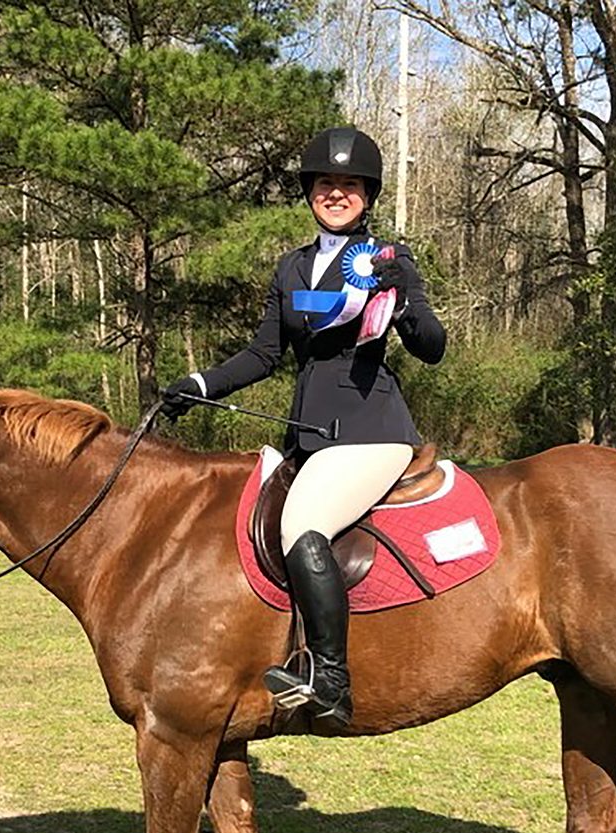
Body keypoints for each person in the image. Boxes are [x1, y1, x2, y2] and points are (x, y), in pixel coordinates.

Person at [162, 125, 446, 726]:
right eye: (325, 184)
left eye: (348, 185)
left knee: (303, 522)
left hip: (371, 432)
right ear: (310, 194)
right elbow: (264, 355)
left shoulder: (388, 260)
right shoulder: (291, 270)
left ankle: (330, 680)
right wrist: (203, 384)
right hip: (307, 438)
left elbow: (431, 347)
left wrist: (407, 300)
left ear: (366, 196)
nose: (335, 194)